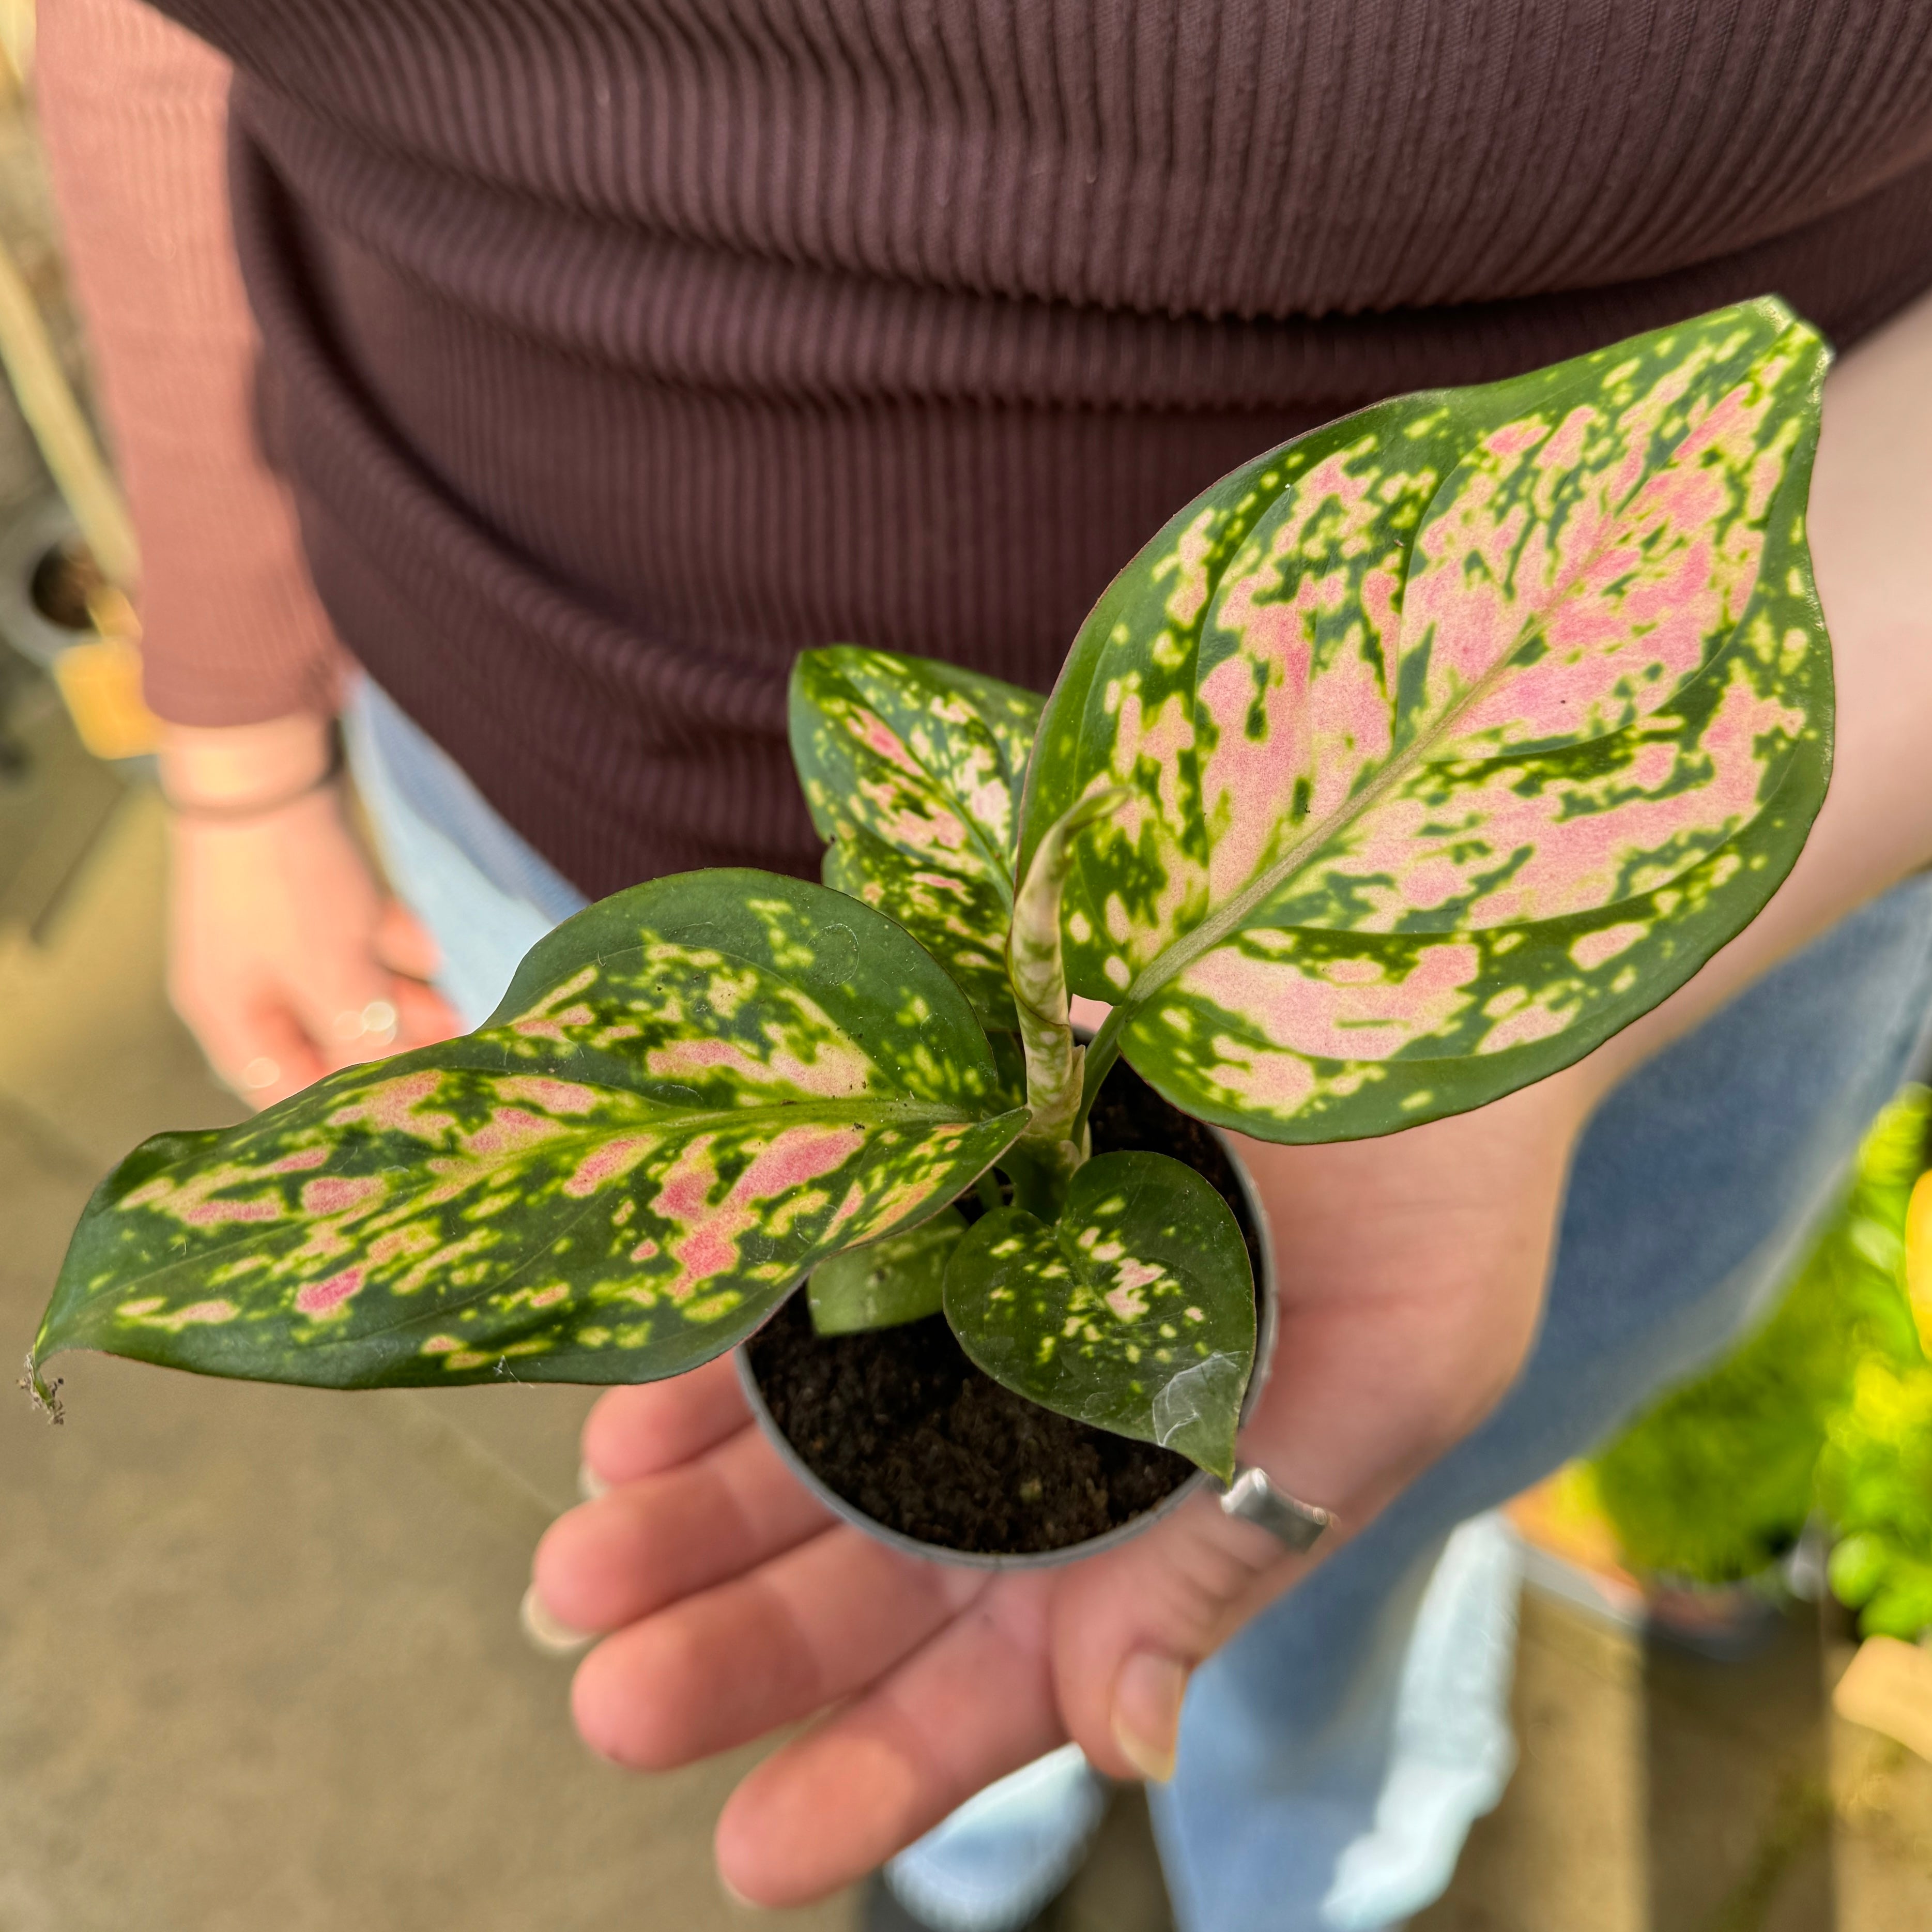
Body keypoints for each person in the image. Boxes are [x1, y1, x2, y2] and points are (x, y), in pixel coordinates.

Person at [35, 2, 1932, 1926]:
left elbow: (1617, 561)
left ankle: (1325, 1847)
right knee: (887, 1546)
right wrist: (236, 739)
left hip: (1678, 908)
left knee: (1365, 1552)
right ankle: (986, 1841)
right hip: (512, 715)